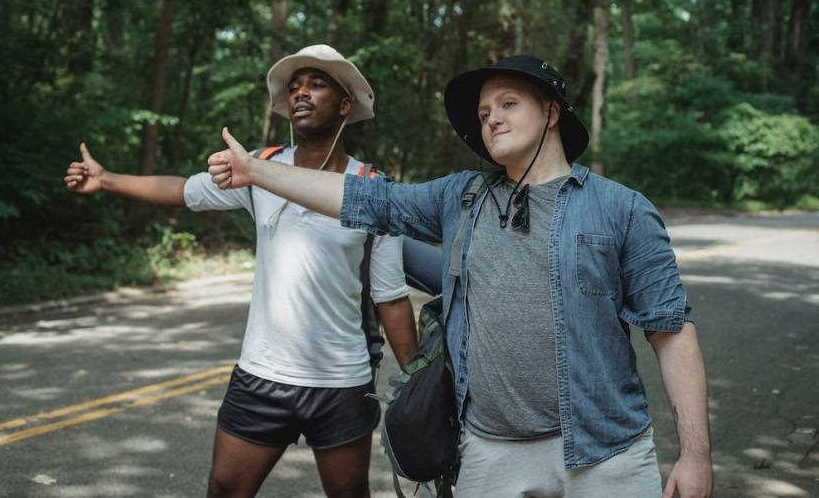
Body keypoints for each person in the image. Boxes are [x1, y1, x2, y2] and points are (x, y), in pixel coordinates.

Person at [205, 54, 714, 498]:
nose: (492, 119)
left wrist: (695, 456)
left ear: (552, 111)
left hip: (605, 451)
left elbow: (671, 331)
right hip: (488, 453)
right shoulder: (461, 197)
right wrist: (257, 170)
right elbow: (363, 198)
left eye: (508, 104)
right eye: (484, 113)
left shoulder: (622, 209)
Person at [64, 44, 418, 498]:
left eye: (316, 84)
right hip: (261, 375)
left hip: (341, 382)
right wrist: (106, 178)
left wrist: (416, 383)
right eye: (294, 88)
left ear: (346, 104)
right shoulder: (257, 169)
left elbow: (389, 297)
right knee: (225, 489)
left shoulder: (373, 189)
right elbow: (183, 190)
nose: (301, 93)